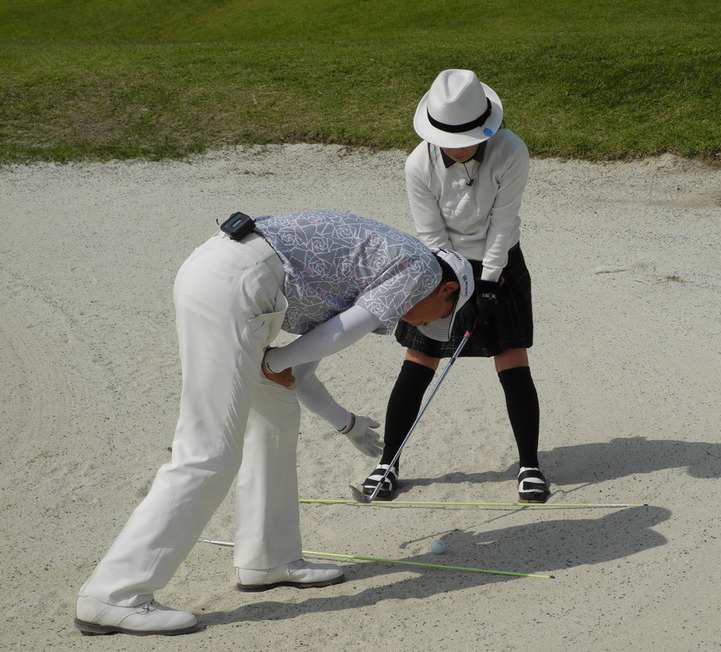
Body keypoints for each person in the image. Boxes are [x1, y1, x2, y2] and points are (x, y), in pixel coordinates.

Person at [74, 210, 474, 636]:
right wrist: (275, 360)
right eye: (439, 314)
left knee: (276, 416)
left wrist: (348, 423)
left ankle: (268, 559)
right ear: (446, 289)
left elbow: (297, 373)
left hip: (237, 281)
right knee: (208, 451)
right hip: (236, 286)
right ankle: (114, 595)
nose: (425, 324)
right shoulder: (421, 268)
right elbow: (331, 339)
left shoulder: (366, 276)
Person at [360, 69, 549, 504]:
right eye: (448, 137)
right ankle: (388, 462)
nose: (458, 146)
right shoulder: (418, 164)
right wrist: (454, 285)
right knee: (420, 356)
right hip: (440, 267)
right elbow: (431, 235)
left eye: (466, 136)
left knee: (511, 357)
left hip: (500, 262)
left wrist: (487, 284)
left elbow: (505, 221)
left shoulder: (511, 150)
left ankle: (530, 465)